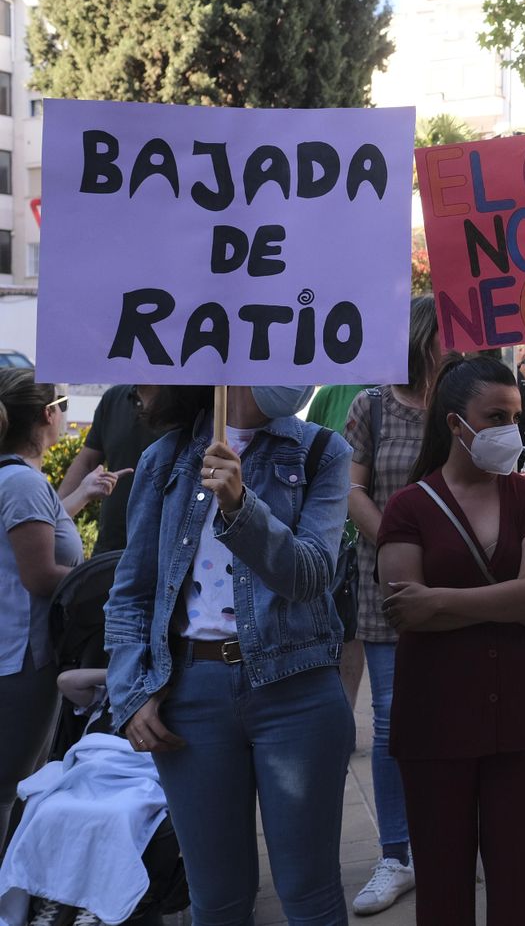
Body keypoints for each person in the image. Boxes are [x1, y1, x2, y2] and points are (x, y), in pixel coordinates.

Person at [105, 384, 355, 925]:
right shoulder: (165, 458)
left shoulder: (322, 451)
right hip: (192, 697)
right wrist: (132, 692)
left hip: (299, 691)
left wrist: (241, 506)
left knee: (310, 893)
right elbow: (132, 592)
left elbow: (311, 576)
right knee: (216, 899)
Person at [377, 355, 525, 926]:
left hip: (521, 720)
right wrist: (487, 605)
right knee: (441, 889)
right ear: (455, 425)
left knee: (517, 888)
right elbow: (405, 612)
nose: (511, 429)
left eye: (515, 415)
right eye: (496, 417)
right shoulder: (409, 507)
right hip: (435, 720)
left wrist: (439, 600)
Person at [342, 295, 439, 915]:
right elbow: (351, 491)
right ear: (424, 339)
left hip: (457, 586)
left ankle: (449, 841)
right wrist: (398, 547)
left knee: (452, 711)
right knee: (392, 722)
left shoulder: (463, 404)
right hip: (389, 587)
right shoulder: (371, 406)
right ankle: (397, 853)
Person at [0, 374, 98, 851]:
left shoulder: (13, 478)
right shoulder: (22, 482)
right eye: (63, 403)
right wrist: (115, 580)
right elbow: (40, 575)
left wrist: (80, 496)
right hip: (20, 659)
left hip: (13, 654)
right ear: (47, 414)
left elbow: (38, 532)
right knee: (12, 788)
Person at [306, 382, 371, 705]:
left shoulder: (398, 389)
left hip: (374, 540)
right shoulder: (330, 394)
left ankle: (345, 707)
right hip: (331, 536)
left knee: (353, 631)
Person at [57, 384, 160, 553]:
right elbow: (88, 462)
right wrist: (55, 514)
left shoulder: (185, 403)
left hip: (165, 547)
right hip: (113, 543)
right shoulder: (113, 398)